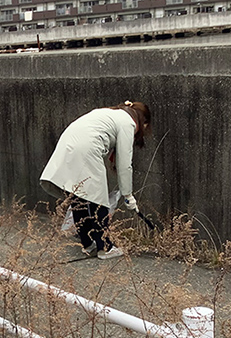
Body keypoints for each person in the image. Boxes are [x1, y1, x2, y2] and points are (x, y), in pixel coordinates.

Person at [40, 101, 152, 260]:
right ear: (143, 121)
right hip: (87, 148)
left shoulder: (111, 113)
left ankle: (88, 244)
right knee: (98, 200)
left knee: (78, 196)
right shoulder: (128, 123)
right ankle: (105, 247)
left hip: (68, 143)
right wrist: (128, 195)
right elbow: (125, 164)